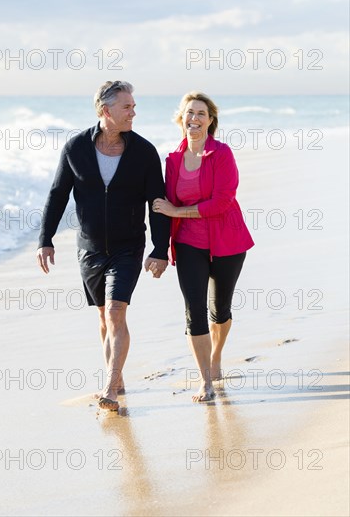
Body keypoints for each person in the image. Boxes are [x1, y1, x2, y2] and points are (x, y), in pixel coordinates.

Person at [37, 81, 170, 411]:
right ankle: (118, 375)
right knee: (104, 317)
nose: (133, 112)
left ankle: (110, 386)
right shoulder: (76, 148)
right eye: (127, 107)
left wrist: (159, 248)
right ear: (104, 111)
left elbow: (157, 201)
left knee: (115, 311)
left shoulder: (143, 152)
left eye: (133, 106)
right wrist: (45, 239)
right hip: (89, 249)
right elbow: (57, 195)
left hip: (128, 247)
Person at [153, 91, 254, 402]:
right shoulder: (171, 160)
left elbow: (222, 202)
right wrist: (158, 251)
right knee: (193, 310)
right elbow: (164, 205)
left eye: (200, 114)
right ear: (181, 119)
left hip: (227, 241)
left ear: (210, 121)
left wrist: (177, 211)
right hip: (188, 243)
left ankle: (216, 356)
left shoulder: (222, 154)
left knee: (219, 310)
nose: (193, 118)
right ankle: (205, 380)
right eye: (189, 113)